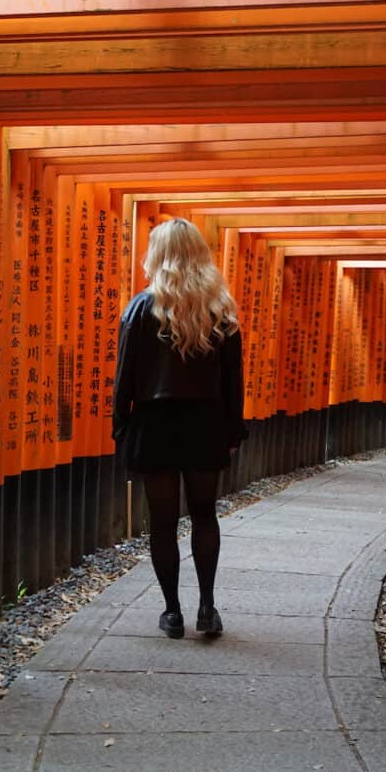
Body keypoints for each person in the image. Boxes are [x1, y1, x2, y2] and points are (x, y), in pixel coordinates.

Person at [112, 217, 247, 640]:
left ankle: (172, 613)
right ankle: (207, 608)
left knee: (163, 521)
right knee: (205, 515)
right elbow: (232, 380)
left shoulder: (140, 307)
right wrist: (232, 431)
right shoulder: (220, 310)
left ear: (158, 254)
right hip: (205, 421)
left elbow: (125, 375)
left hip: (155, 423)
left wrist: (121, 426)